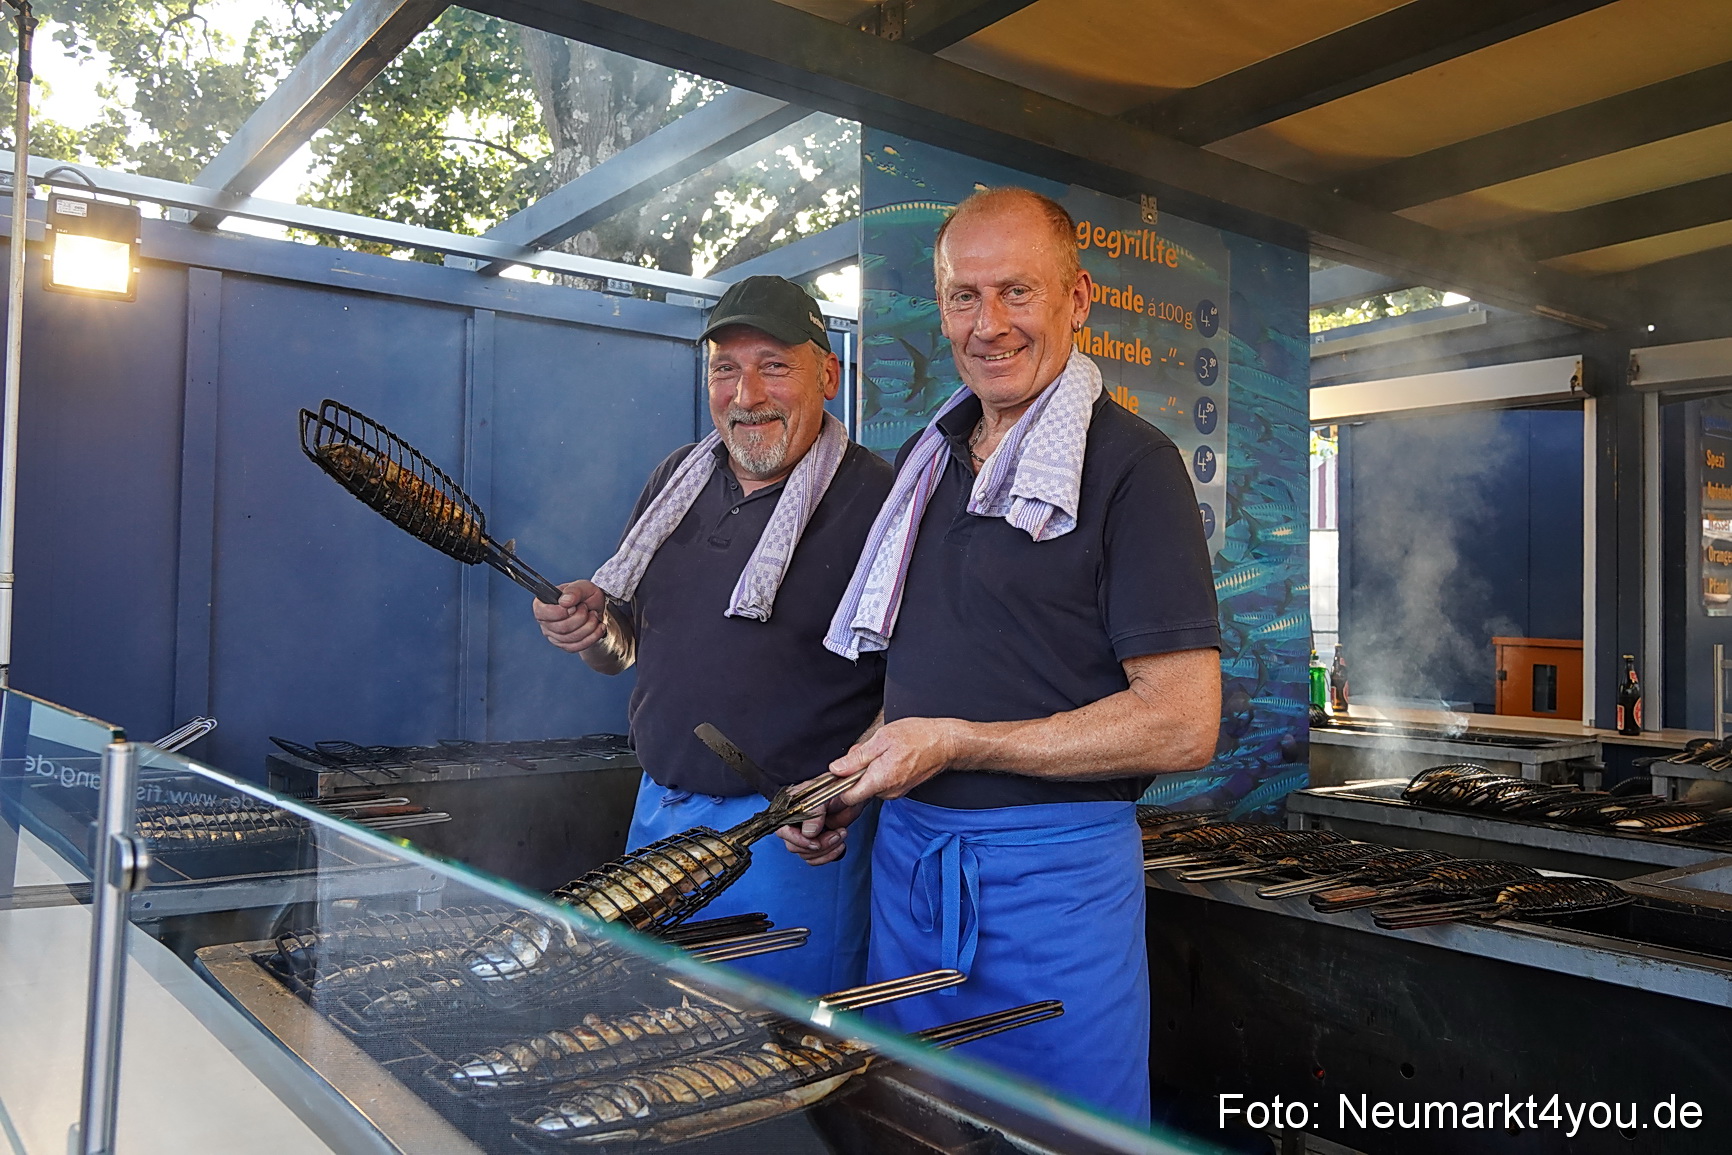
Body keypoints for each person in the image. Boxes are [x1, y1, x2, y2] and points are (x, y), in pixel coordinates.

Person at [795, 188, 1221, 1123]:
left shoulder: (1133, 469)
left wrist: (958, 742)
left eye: (1016, 292)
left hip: (1053, 891)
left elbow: (1184, 722)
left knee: (1060, 1136)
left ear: (1077, 298)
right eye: (962, 296)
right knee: (910, 1127)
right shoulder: (929, 460)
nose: (987, 325)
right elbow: (927, 680)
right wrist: (855, 775)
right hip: (911, 877)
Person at [533, 275, 894, 997]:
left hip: (792, 842)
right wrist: (591, 629)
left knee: (773, 1063)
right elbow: (627, 649)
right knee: (650, 1037)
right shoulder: (677, 479)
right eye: (725, 368)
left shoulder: (879, 500)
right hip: (659, 822)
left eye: (774, 365)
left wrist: (841, 789)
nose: (746, 393)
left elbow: (916, 682)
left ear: (828, 373)